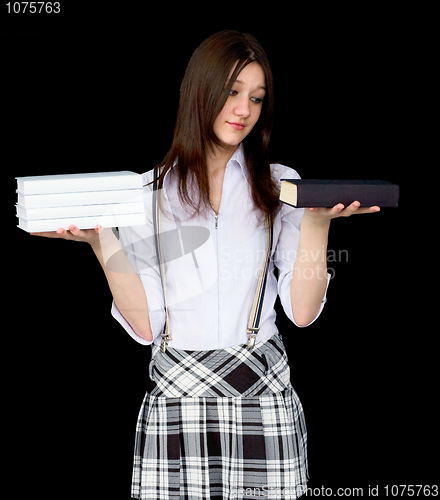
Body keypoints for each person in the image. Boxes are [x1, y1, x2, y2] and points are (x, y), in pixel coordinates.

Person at [31, 31, 379, 500]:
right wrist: (101, 244)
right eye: (232, 92)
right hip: (177, 400)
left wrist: (318, 224)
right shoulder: (146, 192)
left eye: (256, 98)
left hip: (262, 396)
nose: (244, 110)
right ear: (201, 90)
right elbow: (146, 326)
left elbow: (301, 312)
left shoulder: (281, 185)